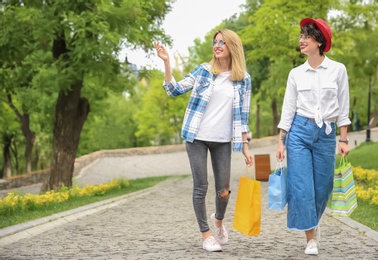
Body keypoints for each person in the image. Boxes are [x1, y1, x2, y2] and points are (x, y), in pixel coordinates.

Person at [154, 28, 253, 252]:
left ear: (232, 47)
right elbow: (174, 90)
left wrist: (245, 147)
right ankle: (206, 234)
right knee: (201, 186)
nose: (217, 46)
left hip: (222, 141)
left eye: (222, 43)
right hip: (196, 137)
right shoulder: (203, 71)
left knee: (224, 190)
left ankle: (218, 221)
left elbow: (243, 117)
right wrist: (167, 63)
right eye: (215, 42)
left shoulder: (243, 79)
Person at [276, 18, 351, 255]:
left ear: (319, 41)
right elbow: (288, 108)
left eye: (306, 36)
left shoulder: (338, 70)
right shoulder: (295, 74)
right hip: (298, 132)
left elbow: (343, 106)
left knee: (323, 187)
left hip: (326, 134)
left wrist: (344, 139)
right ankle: (310, 238)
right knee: (301, 186)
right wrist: (281, 139)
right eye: (301, 36)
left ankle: (313, 222)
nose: (302, 40)